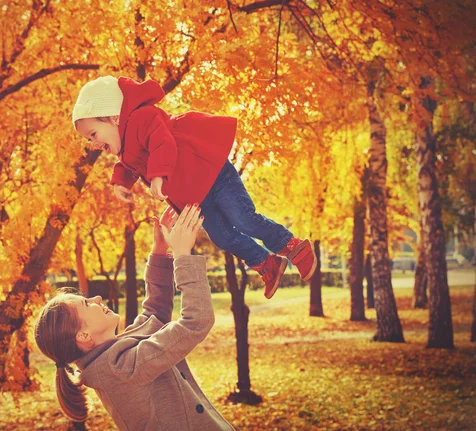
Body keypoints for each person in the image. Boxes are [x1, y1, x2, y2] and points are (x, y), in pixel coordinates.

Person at [71, 75, 317, 299]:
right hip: (195, 197)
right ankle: (266, 263)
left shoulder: (143, 117)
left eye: (93, 134)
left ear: (113, 117)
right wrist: (121, 183)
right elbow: (127, 166)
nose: (93, 143)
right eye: (89, 139)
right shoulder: (125, 152)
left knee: (242, 218)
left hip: (211, 172)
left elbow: (162, 142)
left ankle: (292, 246)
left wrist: (157, 174)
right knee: (221, 236)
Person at [34, 205, 235, 431]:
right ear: (83, 335)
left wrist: (160, 250)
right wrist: (182, 255)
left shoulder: (113, 355)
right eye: (86, 303)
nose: (97, 298)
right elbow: (195, 322)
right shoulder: (117, 369)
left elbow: (154, 314)